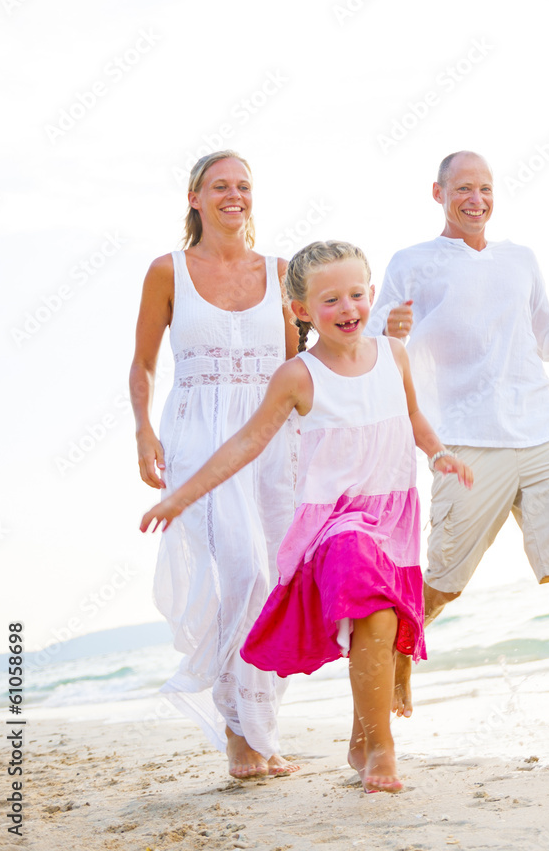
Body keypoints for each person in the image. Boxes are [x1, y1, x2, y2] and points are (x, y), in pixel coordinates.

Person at [142, 240, 473, 792]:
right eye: (330, 301)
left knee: (382, 624)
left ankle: (363, 739)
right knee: (369, 600)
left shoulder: (393, 353)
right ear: (300, 311)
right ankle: (383, 753)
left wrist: (439, 454)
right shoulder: (297, 375)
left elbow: (412, 414)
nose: (348, 310)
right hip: (333, 521)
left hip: (392, 512)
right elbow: (245, 444)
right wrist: (180, 495)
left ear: (370, 294)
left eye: (356, 295)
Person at [366, 150, 549, 731]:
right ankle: (401, 652)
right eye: (464, 189)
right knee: (443, 581)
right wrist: (388, 331)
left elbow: (545, 337)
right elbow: (369, 344)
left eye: (486, 188)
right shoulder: (412, 262)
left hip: (546, 428)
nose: (476, 200)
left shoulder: (519, 259)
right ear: (438, 193)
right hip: (466, 440)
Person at [129, 150, 301, 779]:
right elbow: (144, 362)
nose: (235, 195)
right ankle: (241, 731)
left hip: (272, 440)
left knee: (277, 578)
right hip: (198, 436)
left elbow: (295, 366)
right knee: (244, 571)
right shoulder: (166, 271)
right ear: (195, 199)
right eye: (220, 186)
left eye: (244, 186)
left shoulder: (282, 271)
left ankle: (260, 730)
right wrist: (144, 429)